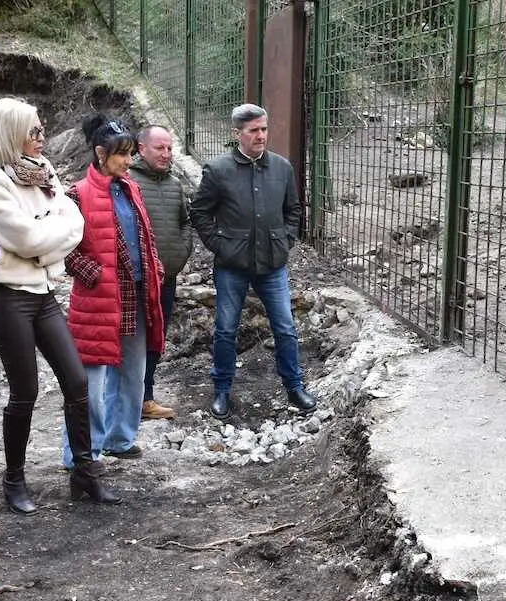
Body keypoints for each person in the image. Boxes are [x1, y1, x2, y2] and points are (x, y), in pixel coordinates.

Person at [0, 97, 120, 511]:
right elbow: (26, 239)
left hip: (43, 294)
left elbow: (74, 224)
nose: (42, 138)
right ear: (10, 133)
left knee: (76, 382)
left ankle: (86, 475)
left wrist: (41, 245)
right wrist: (43, 242)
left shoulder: (44, 172)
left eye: (41, 130)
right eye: (34, 131)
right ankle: (14, 480)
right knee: (25, 392)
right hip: (10, 299)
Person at [190, 103, 317, 420]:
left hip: (272, 264)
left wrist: (285, 241)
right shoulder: (218, 170)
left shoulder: (281, 167)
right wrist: (220, 246)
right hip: (231, 265)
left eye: (264, 129)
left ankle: (294, 387)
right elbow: (200, 213)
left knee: (286, 328)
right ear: (237, 134)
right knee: (225, 329)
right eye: (253, 130)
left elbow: (294, 211)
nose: (261, 135)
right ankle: (221, 390)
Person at [61, 114, 165, 468]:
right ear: (101, 153)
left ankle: (120, 439)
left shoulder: (131, 188)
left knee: (132, 373)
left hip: (135, 294)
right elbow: (65, 249)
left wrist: (155, 268)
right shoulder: (77, 193)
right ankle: (80, 454)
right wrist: (94, 275)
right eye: (122, 154)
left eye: (131, 153)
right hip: (97, 301)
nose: (129, 160)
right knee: (89, 383)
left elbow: (144, 238)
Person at [129, 125, 192, 420]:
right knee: (132, 337)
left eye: (169, 148)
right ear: (142, 149)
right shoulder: (127, 181)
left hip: (166, 278)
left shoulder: (175, 184)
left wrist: (180, 255)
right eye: (160, 148)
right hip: (136, 280)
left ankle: (146, 398)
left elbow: (185, 222)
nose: (167, 154)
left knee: (157, 336)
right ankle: (127, 398)